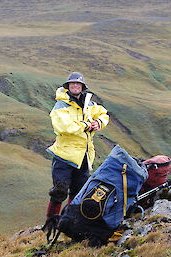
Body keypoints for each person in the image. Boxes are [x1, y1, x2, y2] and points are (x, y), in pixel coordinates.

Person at [45, 71, 109, 219]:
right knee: (60, 191)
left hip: (84, 157)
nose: (75, 86)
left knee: (79, 193)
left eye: (78, 83)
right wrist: (86, 125)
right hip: (64, 156)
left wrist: (99, 122)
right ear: (68, 86)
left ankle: (69, 221)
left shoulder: (89, 104)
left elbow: (103, 114)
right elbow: (63, 127)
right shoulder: (61, 105)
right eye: (72, 83)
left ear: (82, 86)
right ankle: (51, 222)